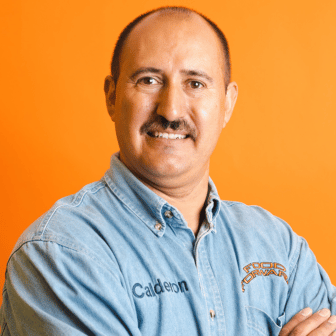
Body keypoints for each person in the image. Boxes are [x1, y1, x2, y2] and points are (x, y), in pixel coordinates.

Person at [1, 6, 335, 336]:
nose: (171, 109)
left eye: (196, 83)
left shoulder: (278, 246)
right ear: (112, 97)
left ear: (228, 103)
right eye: (148, 80)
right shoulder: (61, 252)